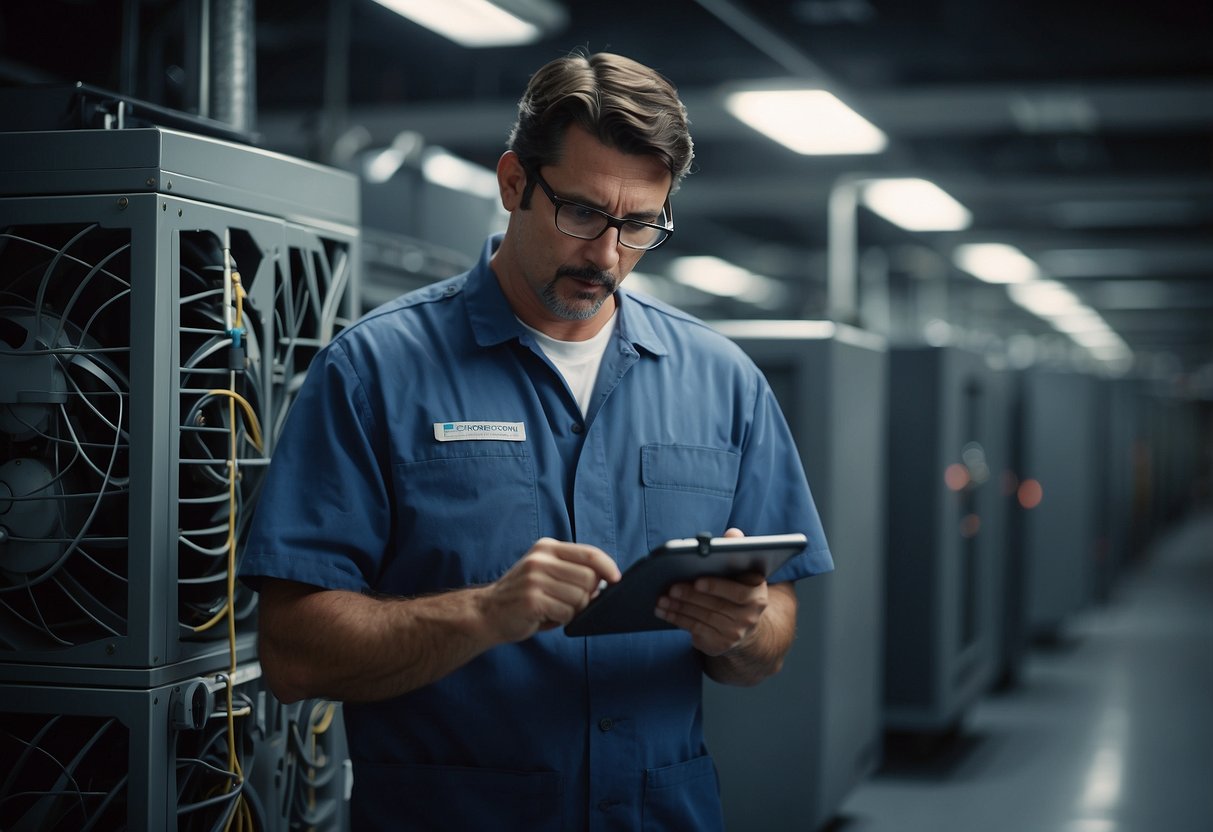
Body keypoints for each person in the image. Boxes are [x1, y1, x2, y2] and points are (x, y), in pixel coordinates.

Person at [241, 50, 833, 831]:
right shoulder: (375, 370)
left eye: (638, 225)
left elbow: (774, 633)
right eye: (583, 213)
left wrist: (743, 629)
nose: (606, 255)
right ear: (514, 183)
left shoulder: (721, 380)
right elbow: (292, 653)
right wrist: (483, 613)